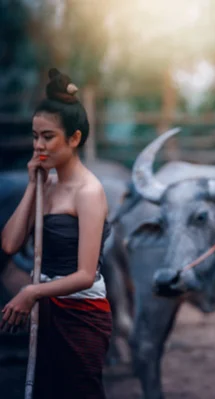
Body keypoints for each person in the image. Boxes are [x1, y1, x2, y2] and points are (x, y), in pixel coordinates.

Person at [1, 68, 112, 399]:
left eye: (48, 137)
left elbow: (85, 274)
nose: (39, 146)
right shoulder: (45, 185)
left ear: (74, 138)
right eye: (35, 136)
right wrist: (34, 185)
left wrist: (31, 292)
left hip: (81, 313)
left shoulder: (89, 192)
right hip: (48, 309)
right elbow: (9, 243)